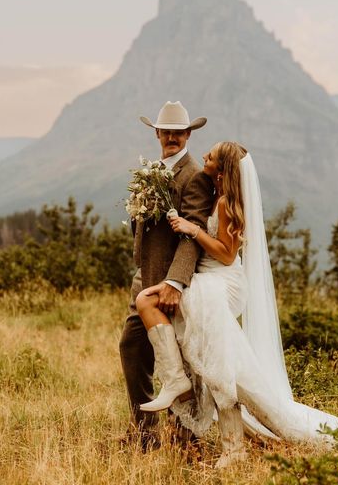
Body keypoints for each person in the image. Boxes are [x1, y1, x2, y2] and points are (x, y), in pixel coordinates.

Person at [136, 142, 338, 469]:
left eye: (211, 156)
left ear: (222, 169)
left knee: (215, 360)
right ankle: (179, 382)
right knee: (160, 310)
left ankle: (233, 447)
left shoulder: (226, 203)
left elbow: (226, 254)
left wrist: (193, 229)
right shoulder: (212, 194)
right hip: (206, 281)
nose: (204, 156)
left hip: (223, 282)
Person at [118, 100, 213, 448]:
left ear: (188, 134)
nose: (171, 137)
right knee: (132, 347)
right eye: (166, 132)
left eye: (178, 132)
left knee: (180, 358)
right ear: (157, 133)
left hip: (172, 281)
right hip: (144, 277)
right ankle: (145, 431)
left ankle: (185, 434)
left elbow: (194, 233)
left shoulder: (196, 177)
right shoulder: (152, 169)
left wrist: (175, 282)